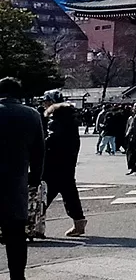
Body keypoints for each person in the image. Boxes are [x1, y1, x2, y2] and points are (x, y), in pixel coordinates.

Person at [0, 77, 44, 280]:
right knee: (15, 235)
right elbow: (39, 152)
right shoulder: (31, 115)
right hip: (15, 182)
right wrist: (34, 179)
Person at [42, 102, 86, 238]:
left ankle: (32, 223)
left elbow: (50, 142)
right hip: (68, 164)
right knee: (70, 194)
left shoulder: (56, 124)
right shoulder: (72, 125)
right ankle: (79, 222)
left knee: (43, 196)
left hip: (53, 165)